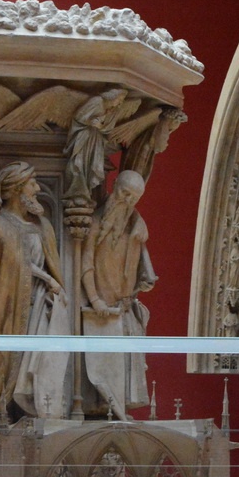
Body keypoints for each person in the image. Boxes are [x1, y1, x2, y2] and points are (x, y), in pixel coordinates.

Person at [0, 162, 69, 421]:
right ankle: (1, 410)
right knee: (6, 358)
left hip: (40, 304)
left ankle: (38, 409)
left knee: (39, 361)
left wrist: (52, 285)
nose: (37, 189)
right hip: (6, 305)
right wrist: (47, 278)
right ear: (17, 189)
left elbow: (51, 264)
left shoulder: (43, 225)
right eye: (32, 183)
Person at [80, 170, 157, 420]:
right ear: (114, 186)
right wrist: (95, 299)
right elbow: (86, 264)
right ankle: (100, 408)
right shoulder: (95, 223)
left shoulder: (135, 226)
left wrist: (143, 280)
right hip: (99, 311)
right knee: (101, 366)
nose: (127, 201)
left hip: (123, 308)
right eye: (125, 193)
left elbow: (141, 264)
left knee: (120, 367)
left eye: (134, 198)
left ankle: (116, 410)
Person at [63, 88, 128, 203]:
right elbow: (78, 116)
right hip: (83, 136)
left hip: (96, 140)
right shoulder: (97, 101)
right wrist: (90, 122)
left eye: (121, 101)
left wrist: (100, 126)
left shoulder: (112, 110)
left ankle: (85, 191)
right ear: (112, 96)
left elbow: (107, 129)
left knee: (91, 164)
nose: (119, 103)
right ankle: (76, 191)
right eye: (119, 100)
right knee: (78, 163)